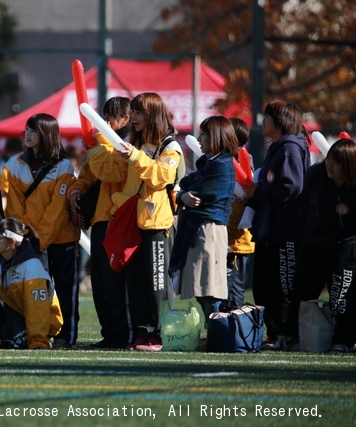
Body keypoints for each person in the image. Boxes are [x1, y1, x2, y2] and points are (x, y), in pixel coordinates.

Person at [85, 92, 181, 351]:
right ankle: (142, 335)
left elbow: (160, 177)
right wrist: (96, 147)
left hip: (155, 224)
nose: (133, 118)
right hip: (131, 222)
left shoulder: (170, 146)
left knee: (155, 283)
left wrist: (134, 157)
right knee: (136, 284)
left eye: (138, 113)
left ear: (152, 116)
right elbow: (111, 171)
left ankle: (156, 336)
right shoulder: (135, 143)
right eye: (133, 113)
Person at [3, 113, 80, 349]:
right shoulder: (14, 165)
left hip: (61, 238)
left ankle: (66, 336)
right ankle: (36, 334)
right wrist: (25, 237)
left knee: (66, 292)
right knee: (33, 292)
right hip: (29, 241)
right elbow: (14, 209)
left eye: (33, 130)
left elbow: (57, 209)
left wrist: (39, 240)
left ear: (46, 134)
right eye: (26, 129)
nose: (27, 134)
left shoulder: (64, 166)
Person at [278, 138, 356, 354]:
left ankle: (343, 341)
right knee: (301, 291)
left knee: (341, 297)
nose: (329, 165)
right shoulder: (315, 174)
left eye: (336, 163)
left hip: (345, 245)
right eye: (328, 159)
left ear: (349, 166)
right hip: (314, 242)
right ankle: (290, 335)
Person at [245, 100, 310, 350]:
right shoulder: (278, 148)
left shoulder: (290, 148)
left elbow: (290, 187)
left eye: (267, 117)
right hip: (272, 231)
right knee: (265, 286)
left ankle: (286, 334)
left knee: (283, 286)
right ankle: (275, 333)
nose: (263, 122)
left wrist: (259, 192)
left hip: (287, 231)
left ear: (280, 122)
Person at [69, 96, 132, 349]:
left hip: (120, 220)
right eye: (103, 116)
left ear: (126, 119)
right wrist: (76, 189)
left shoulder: (127, 144)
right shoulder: (102, 143)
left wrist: (97, 145)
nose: (105, 122)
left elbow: (112, 171)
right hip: (100, 220)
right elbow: (88, 174)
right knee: (101, 283)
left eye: (111, 117)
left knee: (117, 283)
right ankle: (111, 334)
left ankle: (124, 335)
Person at [169, 116, 237, 324]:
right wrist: (182, 196)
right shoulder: (208, 163)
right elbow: (186, 184)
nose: (200, 138)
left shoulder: (223, 165)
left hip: (210, 229)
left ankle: (216, 328)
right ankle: (212, 328)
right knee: (200, 285)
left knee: (210, 287)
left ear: (216, 136)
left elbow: (204, 193)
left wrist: (183, 194)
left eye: (204, 134)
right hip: (196, 230)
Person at [0, 218, 63, 349]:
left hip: (41, 321)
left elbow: (37, 312)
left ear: (11, 242)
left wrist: (37, 342)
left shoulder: (32, 269)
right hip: (15, 315)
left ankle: (35, 338)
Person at [225, 118, 255, 309]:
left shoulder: (243, 162)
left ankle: (234, 330)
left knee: (234, 287)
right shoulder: (226, 160)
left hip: (237, 242)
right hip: (226, 237)